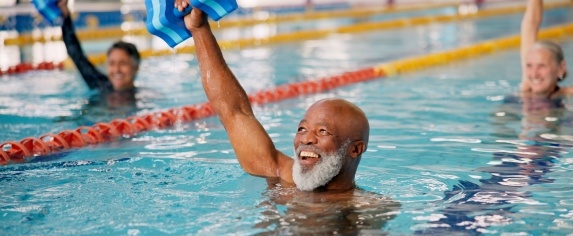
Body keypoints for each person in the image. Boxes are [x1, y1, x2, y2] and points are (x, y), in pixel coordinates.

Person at [176, 0, 369, 193]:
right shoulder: (281, 175)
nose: (306, 139)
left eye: (323, 131)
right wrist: (199, 28)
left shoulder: (363, 211)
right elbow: (234, 113)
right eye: (302, 129)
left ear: (355, 149)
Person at [57, 0, 140, 104]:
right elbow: (76, 55)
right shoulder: (100, 85)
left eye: (123, 63)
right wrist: (65, 15)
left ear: (136, 67)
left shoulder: (142, 98)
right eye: (112, 63)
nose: (116, 69)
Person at [520, 0, 573, 99]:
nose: (534, 73)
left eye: (542, 66)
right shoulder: (527, 86)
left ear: (560, 68)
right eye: (529, 66)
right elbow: (531, 24)